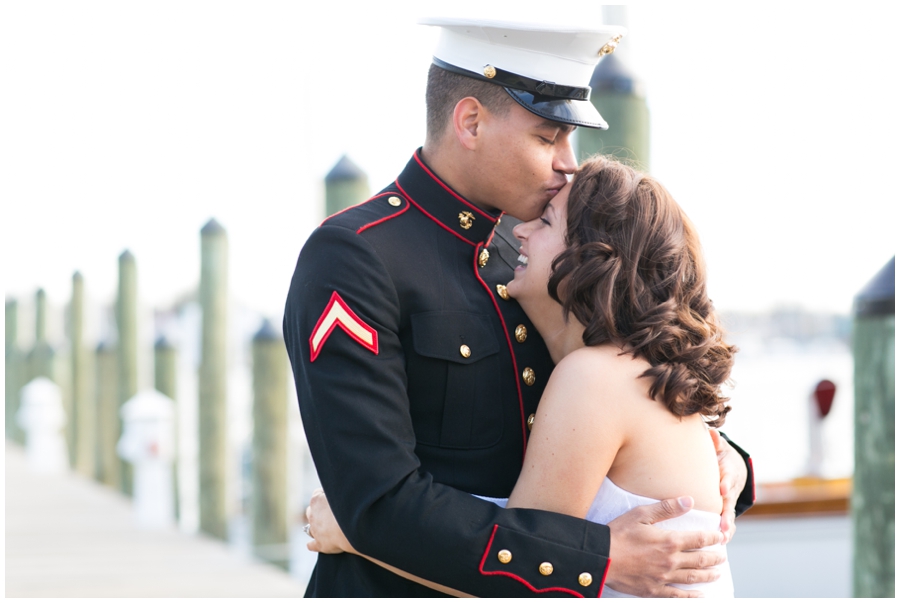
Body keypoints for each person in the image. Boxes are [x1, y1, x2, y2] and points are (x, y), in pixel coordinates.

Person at [284, 17, 754, 598]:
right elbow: (378, 502)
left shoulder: (544, 256)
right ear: (471, 123)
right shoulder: (357, 257)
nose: (569, 163)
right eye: (546, 137)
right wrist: (597, 560)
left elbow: (633, 376)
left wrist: (725, 460)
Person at [306, 155, 738, 598]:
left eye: (546, 223)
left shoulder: (594, 377)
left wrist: (358, 534)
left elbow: (515, 580)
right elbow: (531, 539)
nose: (519, 231)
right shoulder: (639, 372)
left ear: (591, 257)